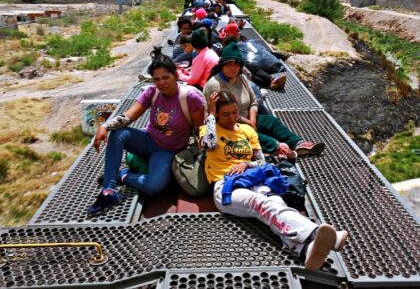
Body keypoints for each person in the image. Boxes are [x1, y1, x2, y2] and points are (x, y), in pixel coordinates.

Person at [200, 91, 348, 271]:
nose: (232, 118)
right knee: (260, 203)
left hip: (253, 180)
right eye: (225, 114)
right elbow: (207, 144)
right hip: (226, 186)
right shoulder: (210, 129)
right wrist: (209, 114)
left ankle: (304, 249)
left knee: (277, 202)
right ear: (217, 114)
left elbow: (261, 161)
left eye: (234, 112)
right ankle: (315, 232)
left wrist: (247, 164)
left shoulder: (247, 131)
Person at [88, 47, 206, 216]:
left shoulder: (190, 98)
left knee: (154, 187)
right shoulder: (152, 92)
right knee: (118, 133)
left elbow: (199, 128)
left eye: (166, 77)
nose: (161, 83)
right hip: (148, 141)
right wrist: (105, 126)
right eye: (156, 79)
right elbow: (130, 115)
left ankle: (124, 175)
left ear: (176, 76)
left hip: (168, 151)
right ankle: (108, 191)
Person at [204, 41, 325, 158]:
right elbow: (223, 114)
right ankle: (280, 148)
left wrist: (252, 120)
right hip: (229, 123)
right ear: (222, 65)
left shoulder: (241, 78)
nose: (232, 68)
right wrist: (248, 123)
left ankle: (298, 143)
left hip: (248, 117)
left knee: (272, 122)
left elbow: (253, 101)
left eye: (236, 64)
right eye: (228, 64)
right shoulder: (215, 85)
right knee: (255, 137)